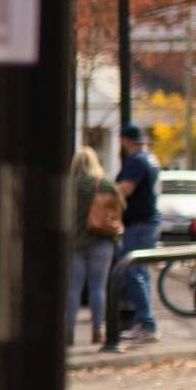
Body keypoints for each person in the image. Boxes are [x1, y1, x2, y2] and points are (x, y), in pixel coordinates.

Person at [70, 146, 125, 346]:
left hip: (74, 242)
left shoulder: (70, 185)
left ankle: (69, 331)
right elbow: (122, 205)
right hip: (102, 240)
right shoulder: (105, 184)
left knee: (73, 288)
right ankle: (97, 330)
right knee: (98, 287)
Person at [115, 123, 162, 345]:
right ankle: (145, 323)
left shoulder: (135, 161)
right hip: (149, 221)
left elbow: (126, 188)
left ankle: (145, 323)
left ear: (126, 140)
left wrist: (106, 189)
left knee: (133, 272)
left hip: (139, 223)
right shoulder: (150, 159)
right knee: (141, 273)